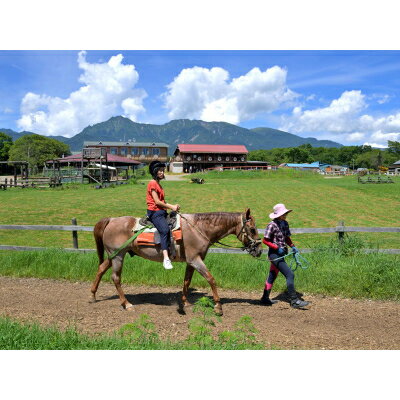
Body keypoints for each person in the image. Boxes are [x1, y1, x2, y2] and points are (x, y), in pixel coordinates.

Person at [261, 203, 310, 309]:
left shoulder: (285, 224)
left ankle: (265, 298)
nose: (286, 215)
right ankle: (294, 300)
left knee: (272, 275)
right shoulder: (271, 225)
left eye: (286, 214)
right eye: (284, 214)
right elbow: (265, 240)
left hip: (282, 253)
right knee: (290, 275)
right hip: (274, 254)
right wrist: (276, 248)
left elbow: (286, 238)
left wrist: (292, 246)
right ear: (278, 215)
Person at [146, 161, 180, 270]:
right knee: (164, 230)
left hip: (161, 211)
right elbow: (157, 202)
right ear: (155, 171)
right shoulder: (152, 183)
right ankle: (166, 258)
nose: (162, 172)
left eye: (162, 170)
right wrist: (171, 207)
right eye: (160, 170)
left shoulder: (158, 184)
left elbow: (163, 201)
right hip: (155, 212)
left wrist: (173, 207)